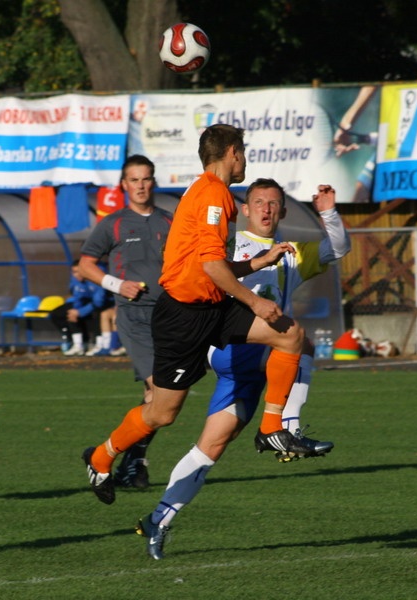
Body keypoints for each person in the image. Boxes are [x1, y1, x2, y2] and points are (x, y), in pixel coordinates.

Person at [83, 124, 316, 507]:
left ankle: (272, 427)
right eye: (242, 151)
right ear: (231, 153)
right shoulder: (213, 195)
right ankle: (100, 457)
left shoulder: (206, 190)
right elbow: (210, 265)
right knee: (162, 412)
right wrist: (254, 302)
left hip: (213, 306)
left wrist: (256, 262)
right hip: (184, 316)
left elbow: (207, 263)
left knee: (290, 334)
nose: (244, 159)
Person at [136, 180, 350, 559]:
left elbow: (339, 248)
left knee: (209, 449)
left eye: (273, 203)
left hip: (259, 369)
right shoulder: (228, 247)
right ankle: (287, 427)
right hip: (230, 352)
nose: (266, 209)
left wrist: (328, 212)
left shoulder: (292, 253)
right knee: (298, 340)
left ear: (282, 212)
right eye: (258, 202)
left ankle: (158, 519)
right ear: (246, 210)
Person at [78, 154, 172, 488]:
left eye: (146, 178)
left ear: (154, 181)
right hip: (134, 316)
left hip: (170, 315)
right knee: (161, 393)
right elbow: (86, 264)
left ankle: (125, 462)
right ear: (124, 185)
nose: (141, 185)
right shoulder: (113, 223)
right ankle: (127, 462)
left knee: (158, 399)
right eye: (134, 180)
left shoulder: (169, 221)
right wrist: (118, 285)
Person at [49, 259, 108, 356]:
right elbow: (77, 297)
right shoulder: (75, 281)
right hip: (86, 304)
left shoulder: (96, 278)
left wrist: (80, 312)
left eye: (78, 272)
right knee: (63, 313)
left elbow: (98, 302)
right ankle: (77, 344)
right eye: (74, 272)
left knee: (97, 313)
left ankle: (99, 344)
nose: (76, 275)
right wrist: (75, 310)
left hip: (103, 304)